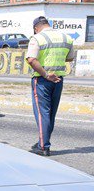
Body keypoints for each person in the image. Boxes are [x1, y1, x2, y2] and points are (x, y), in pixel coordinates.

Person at [26, 16, 75, 156]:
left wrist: (46, 74)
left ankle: (43, 147)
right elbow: (70, 58)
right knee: (51, 114)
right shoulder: (66, 38)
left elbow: (31, 59)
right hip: (58, 80)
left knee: (42, 114)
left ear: (36, 28)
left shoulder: (37, 38)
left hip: (42, 80)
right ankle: (43, 140)